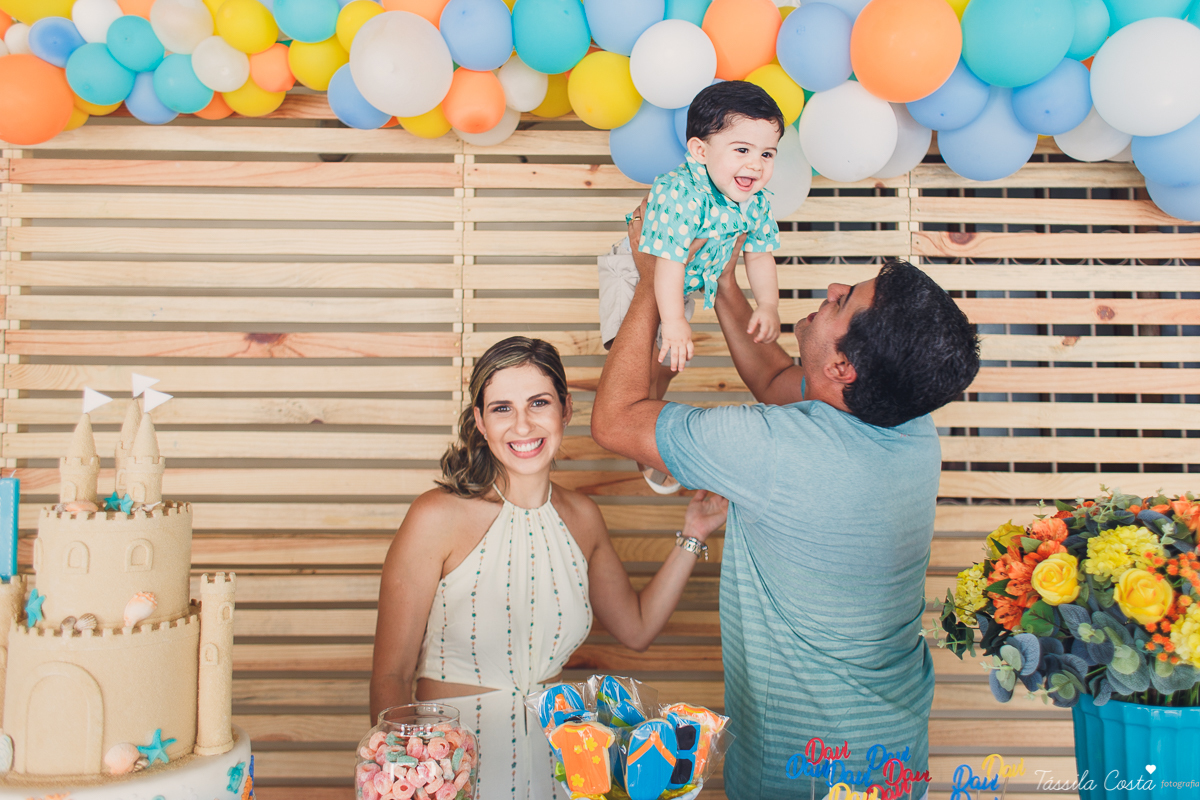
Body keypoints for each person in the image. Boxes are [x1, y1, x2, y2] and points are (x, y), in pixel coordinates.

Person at [591, 210, 980, 799]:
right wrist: (723, 286)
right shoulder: (909, 422)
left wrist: (656, 279)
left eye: (844, 299)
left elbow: (614, 422)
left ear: (845, 366)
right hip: (896, 754)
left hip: (803, 769)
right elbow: (780, 383)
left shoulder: (775, 450)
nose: (831, 290)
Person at [370, 336, 729, 800]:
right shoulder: (435, 516)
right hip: (450, 769)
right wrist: (405, 780)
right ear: (479, 421)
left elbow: (637, 628)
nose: (522, 425)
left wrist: (695, 532)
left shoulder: (582, 517)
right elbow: (390, 676)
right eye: (502, 408)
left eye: (538, 402)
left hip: (559, 768)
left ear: (565, 409)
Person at [599, 80, 785, 495]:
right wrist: (675, 320)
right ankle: (640, 439)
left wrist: (768, 305)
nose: (756, 165)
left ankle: (651, 391)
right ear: (701, 152)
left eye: (766, 154)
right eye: (742, 149)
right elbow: (666, 264)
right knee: (635, 356)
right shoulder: (679, 193)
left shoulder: (756, 200)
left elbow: (758, 254)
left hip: (683, 281)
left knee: (663, 362)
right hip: (637, 272)